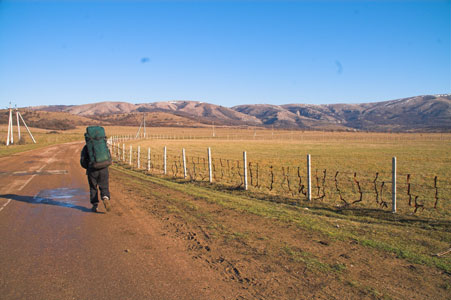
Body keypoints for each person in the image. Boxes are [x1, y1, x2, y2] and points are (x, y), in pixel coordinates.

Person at [80, 145, 111, 213]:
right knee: (104, 186)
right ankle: (105, 197)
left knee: (93, 187)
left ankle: (95, 205)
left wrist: (88, 167)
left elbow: (83, 161)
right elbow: (109, 157)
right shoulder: (103, 145)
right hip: (104, 169)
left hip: (92, 170)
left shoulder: (86, 147)